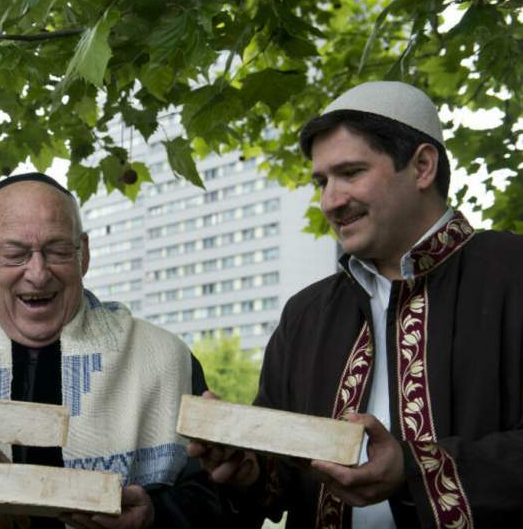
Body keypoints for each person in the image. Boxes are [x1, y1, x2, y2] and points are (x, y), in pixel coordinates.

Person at [190, 81, 523, 527]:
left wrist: (414, 470)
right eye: (322, 181)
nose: (330, 201)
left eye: (351, 173)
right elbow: (284, 476)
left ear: (423, 166)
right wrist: (247, 467)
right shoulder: (305, 314)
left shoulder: (513, 273)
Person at [0, 173, 242, 529]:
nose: (38, 274)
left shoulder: (164, 358)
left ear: (83, 255)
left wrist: (152, 517)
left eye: (57, 251)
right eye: (14, 254)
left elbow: (217, 501)